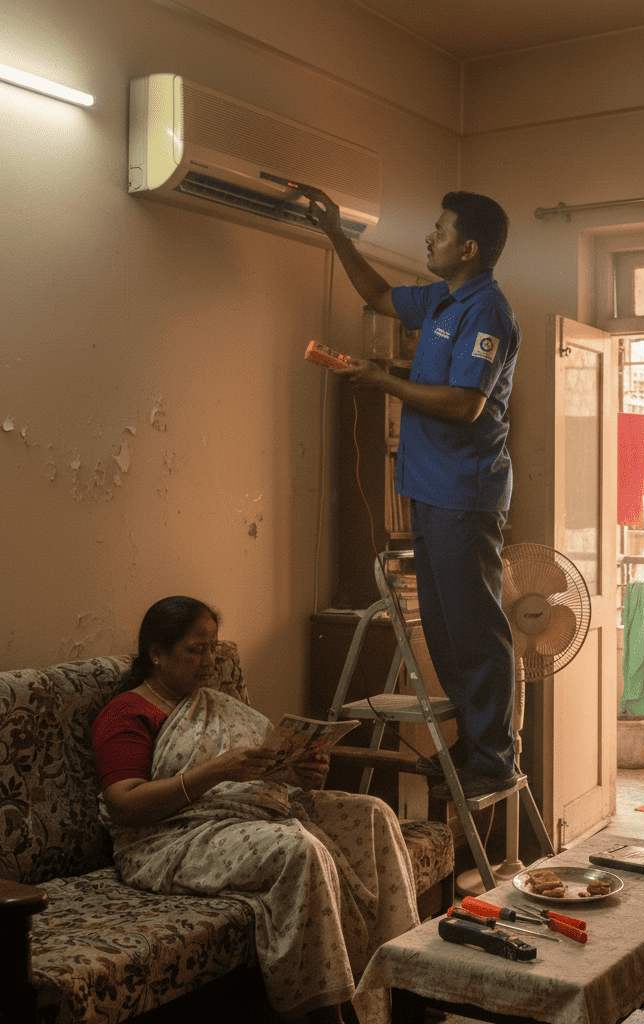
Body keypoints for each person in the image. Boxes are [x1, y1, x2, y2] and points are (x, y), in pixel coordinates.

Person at [92, 596, 419, 1024]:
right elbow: (124, 805)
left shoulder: (216, 703)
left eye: (213, 648)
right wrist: (215, 772)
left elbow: (257, 775)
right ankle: (326, 1015)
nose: (209, 661)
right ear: (156, 653)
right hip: (167, 836)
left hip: (247, 812)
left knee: (373, 813)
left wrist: (298, 772)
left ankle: (406, 986)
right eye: (196, 650)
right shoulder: (127, 713)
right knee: (298, 850)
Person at [301, 186, 521, 801]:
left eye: (440, 229)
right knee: (447, 630)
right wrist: (336, 233)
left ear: (468, 248)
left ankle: (495, 755)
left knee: (475, 626)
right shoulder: (442, 300)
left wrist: (384, 379)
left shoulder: (487, 312)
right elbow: (376, 294)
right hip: (427, 488)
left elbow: (465, 403)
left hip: (463, 493)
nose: (429, 237)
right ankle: (474, 744)